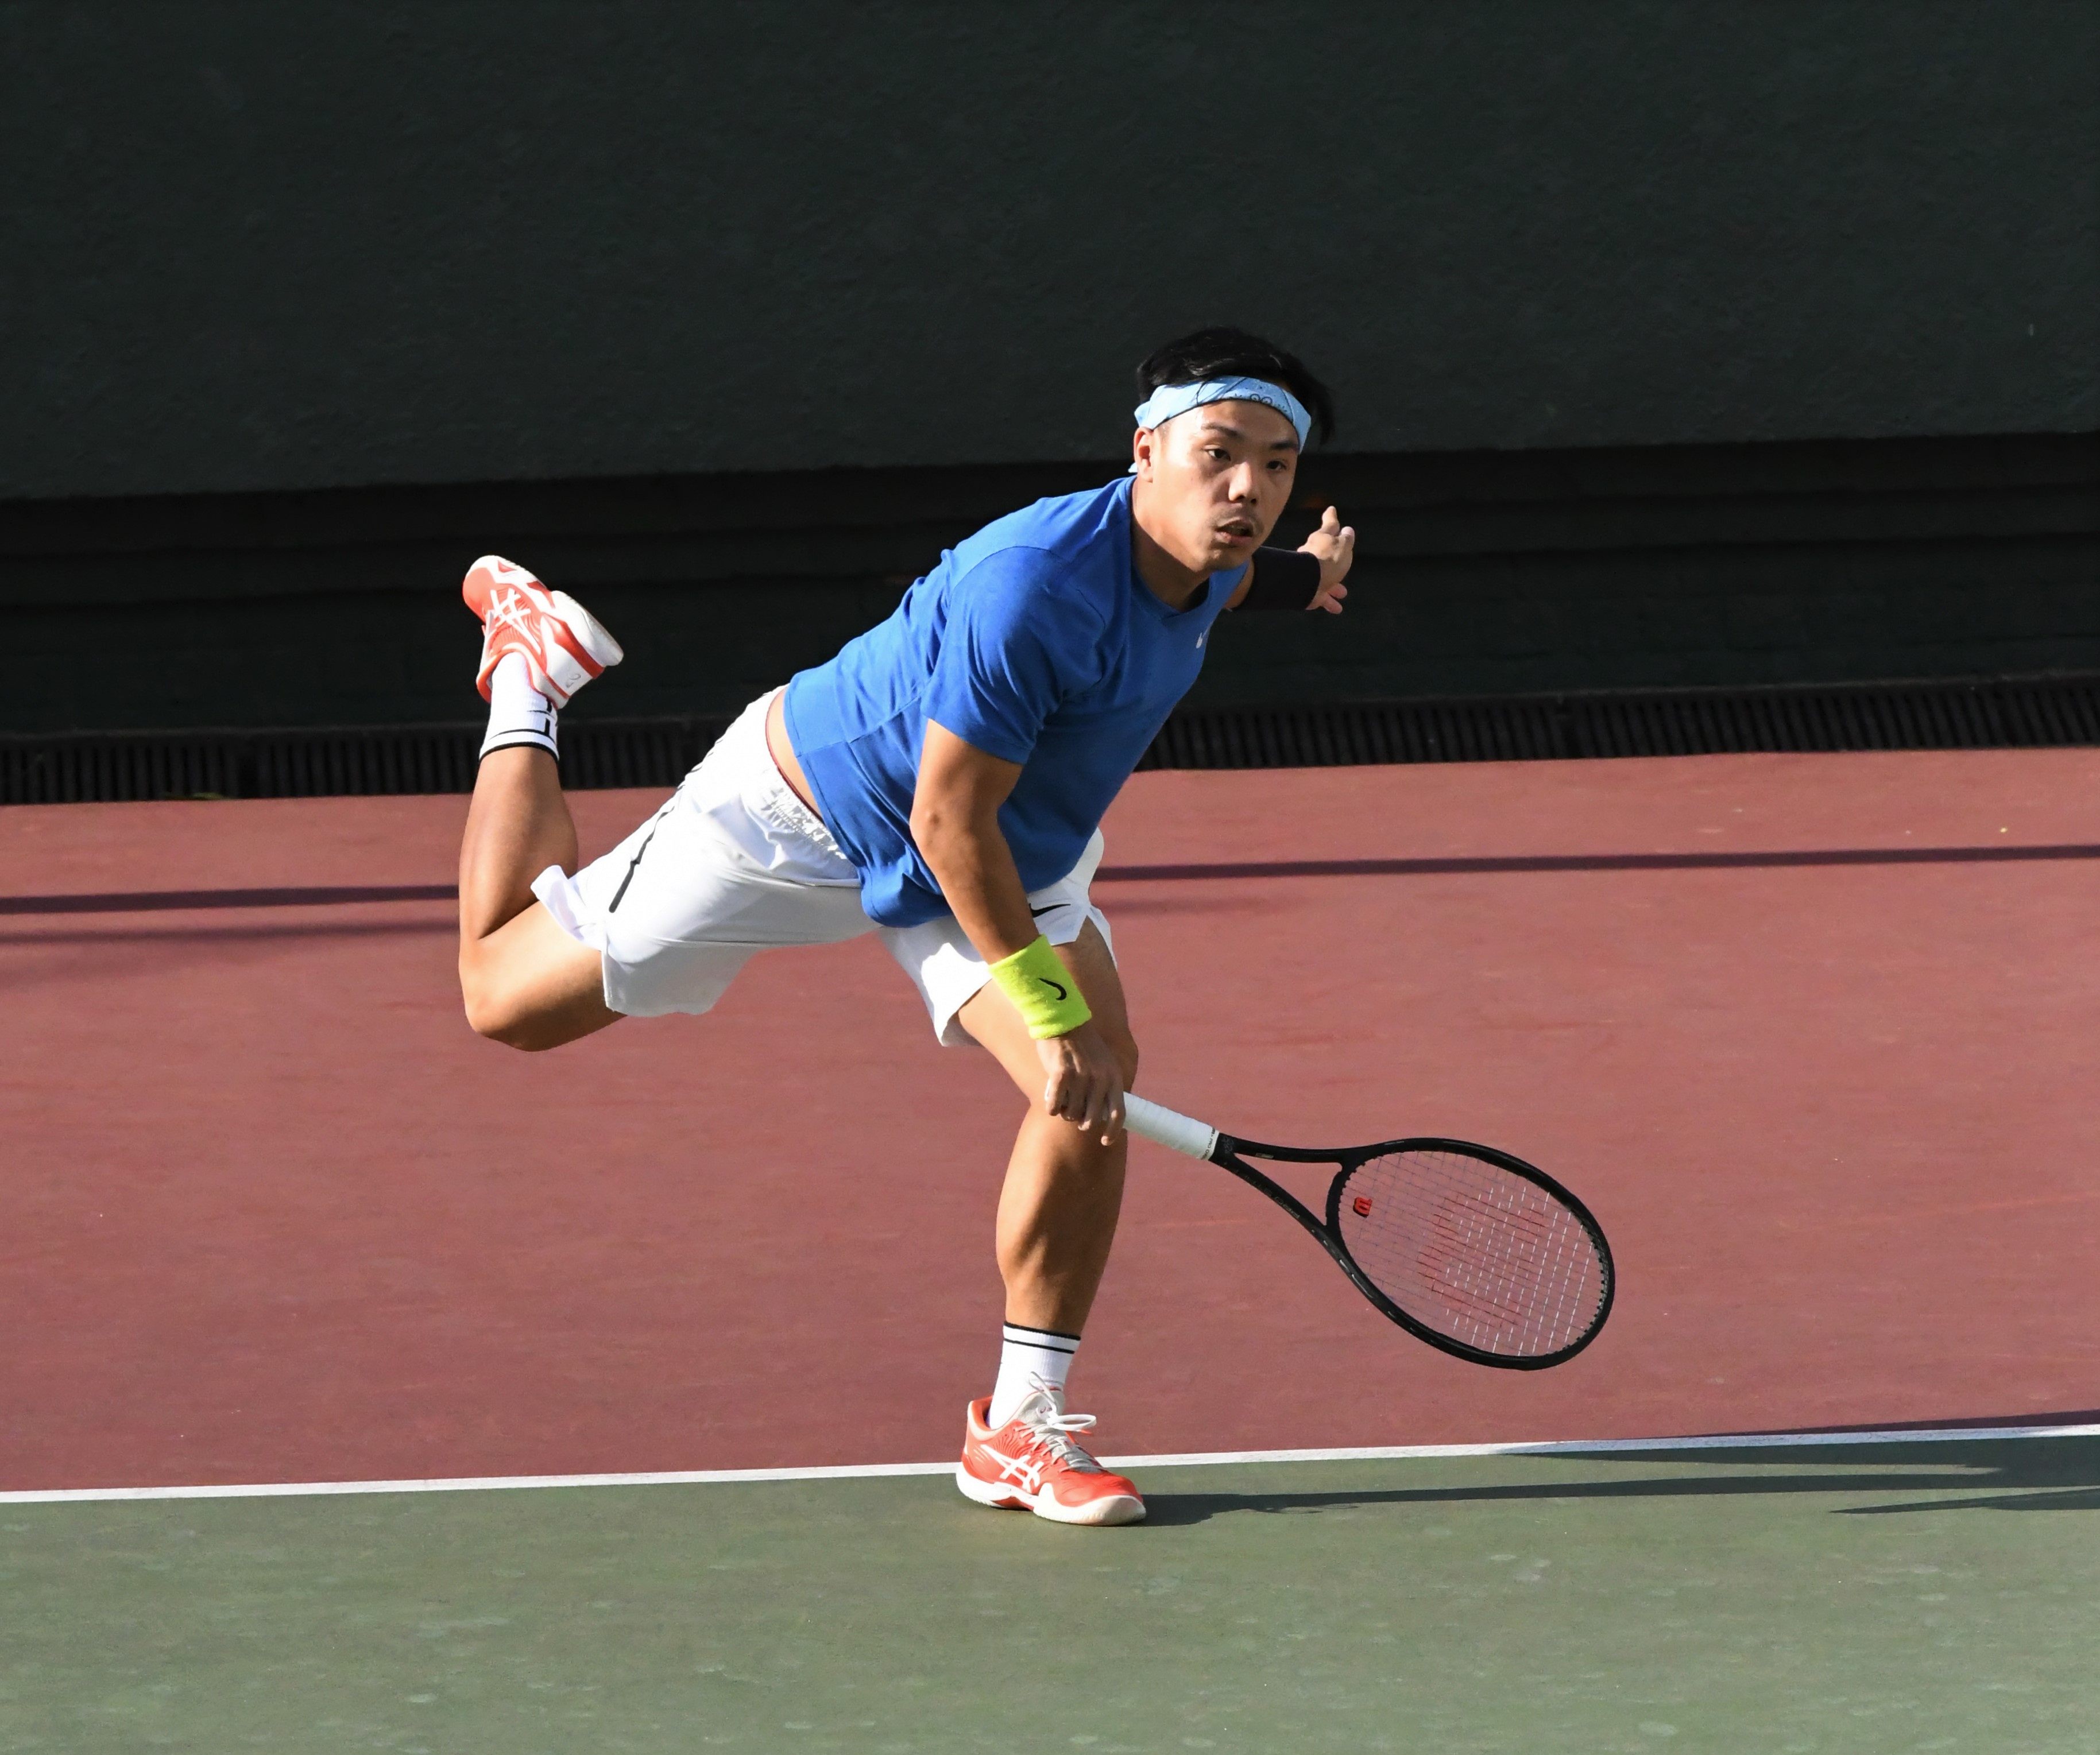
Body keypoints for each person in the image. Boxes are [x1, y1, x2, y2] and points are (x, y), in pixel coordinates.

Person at [454, 326, 1355, 1525]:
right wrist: (1049, 1010)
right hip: (806, 813)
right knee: (503, 1001)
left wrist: (1306, 573)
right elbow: (943, 819)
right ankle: (529, 678)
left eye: (1277, 466)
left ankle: (1018, 1424)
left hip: (1008, 851)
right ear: (1144, 452)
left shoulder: (1214, 556)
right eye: (1219, 454)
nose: (1246, 489)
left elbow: (1235, 578)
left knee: (1090, 1087)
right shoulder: (1032, 586)